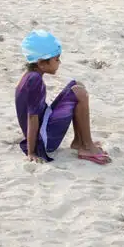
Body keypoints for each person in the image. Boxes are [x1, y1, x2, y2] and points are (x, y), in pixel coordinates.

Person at [16, 30, 109, 164]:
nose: (59, 62)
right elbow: (32, 117)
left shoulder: (31, 75)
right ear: (42, 63)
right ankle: (87, 146)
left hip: (44, 124)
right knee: (80, 93)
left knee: (77, 86)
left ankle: (79, 141)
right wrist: (31, 152)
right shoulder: (34, 80)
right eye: (56, 59)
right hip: (44, 139)